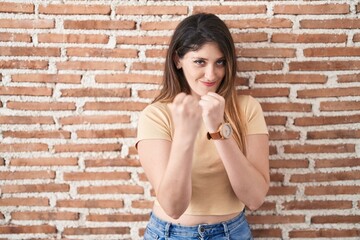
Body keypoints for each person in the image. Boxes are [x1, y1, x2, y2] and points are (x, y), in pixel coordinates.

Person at [136, 13, 269, 240]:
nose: (211, 74)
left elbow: (255, 199)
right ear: (178, 60)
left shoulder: (247, 108)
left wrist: (218, 129)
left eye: (220, 62)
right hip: (170, 234)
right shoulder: (156, 115)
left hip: (233, 232)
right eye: (200, 61)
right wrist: (185, 134)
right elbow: (174, 206)